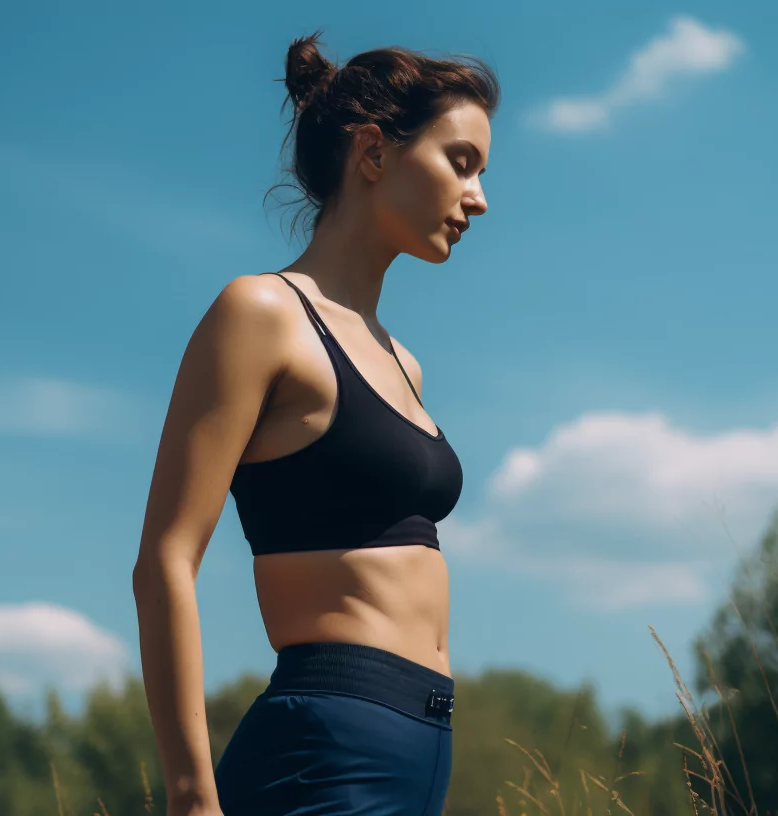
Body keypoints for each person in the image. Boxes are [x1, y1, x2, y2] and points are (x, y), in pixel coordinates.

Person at [132, 29, 498, 816]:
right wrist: (193, 795)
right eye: (460, 162)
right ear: (373, 152)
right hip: (326, 747)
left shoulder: (406, 363)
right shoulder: (260, 313)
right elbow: (164, 559)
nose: (479, 197)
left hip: (422, 745)